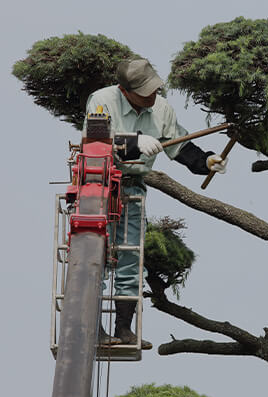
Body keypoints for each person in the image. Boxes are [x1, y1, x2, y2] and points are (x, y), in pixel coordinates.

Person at [83, 58, 227, 349]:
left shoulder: (160, 109)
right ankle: (92, 329)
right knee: (95, 256)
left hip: (133, 190)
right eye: (144, 91)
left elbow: (180, 144)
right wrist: (133, 142)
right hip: (98, 187)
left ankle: (123, 328)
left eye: (154, 89)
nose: (152, 96)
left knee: (131, 259)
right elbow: (97, 141)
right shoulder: (101, 101)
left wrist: (207, 161)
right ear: (125, 91)